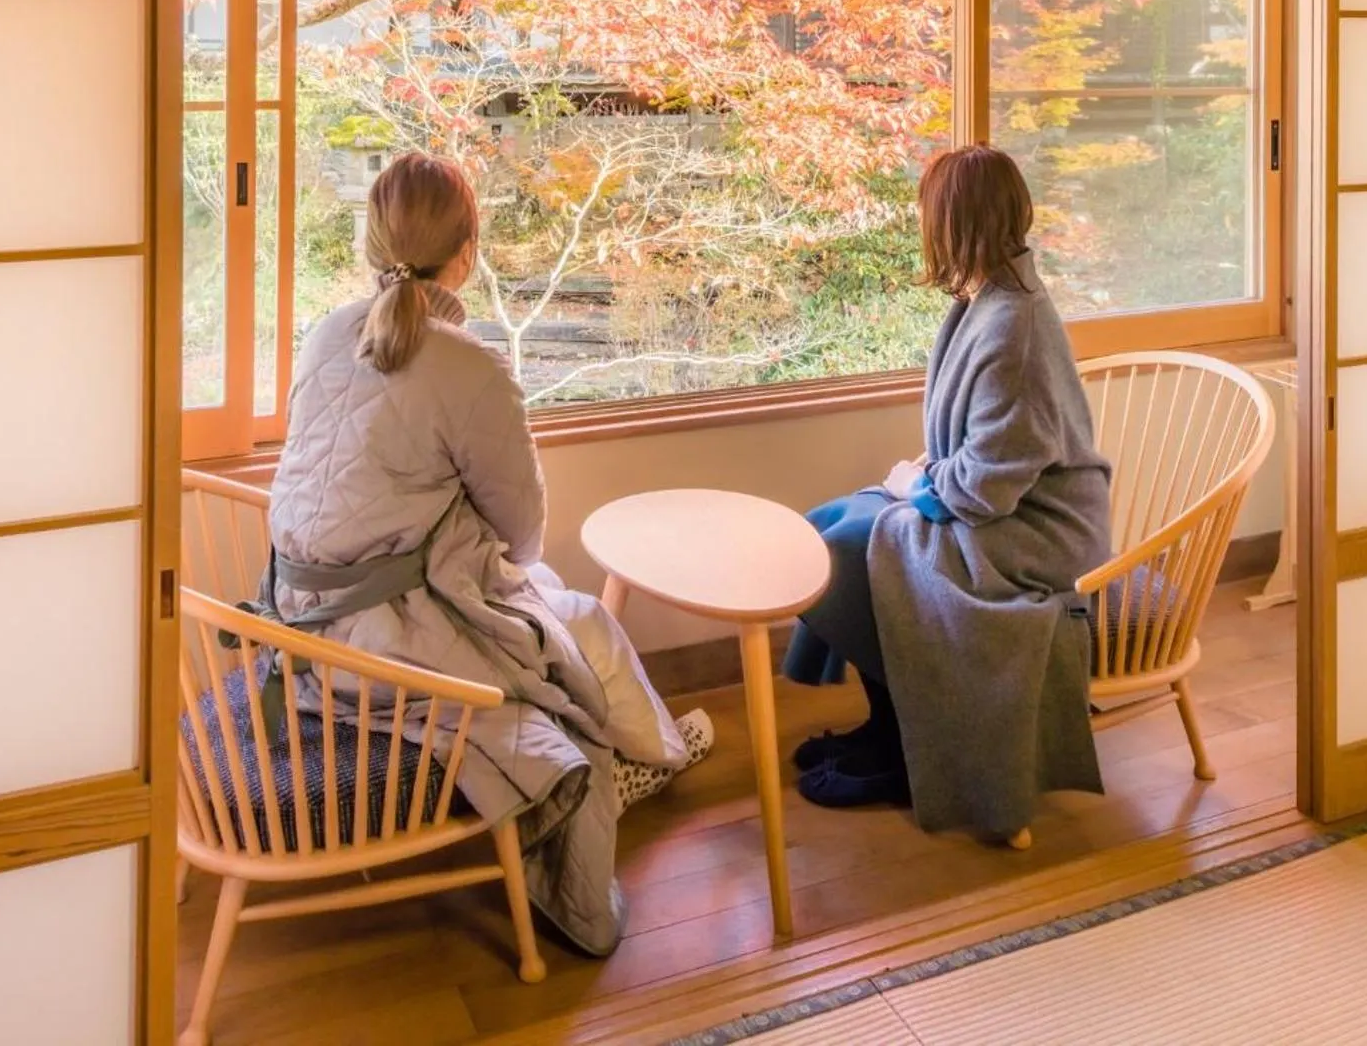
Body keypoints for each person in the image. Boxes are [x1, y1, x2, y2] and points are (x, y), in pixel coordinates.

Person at [262, 153, 708, 957]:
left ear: (368, 242)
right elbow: (522, 531)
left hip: (297, 621)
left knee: (554, 611)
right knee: (584, 624)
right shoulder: (468, 365)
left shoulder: (327, 332)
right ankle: (654, 757)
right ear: (466, 253)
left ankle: (647, 751)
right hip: (388, 647)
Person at [783, 144, 1112, 841]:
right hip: (1005, 504)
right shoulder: (990, 297)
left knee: (857, 544)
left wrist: (918, 485)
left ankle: (903, 747)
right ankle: (890, 727)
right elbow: (984, 453)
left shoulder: (1011, 327)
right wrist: (921, 480)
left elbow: (988, 488)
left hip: (1038, 531)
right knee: (831, 523)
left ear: (952, 224)